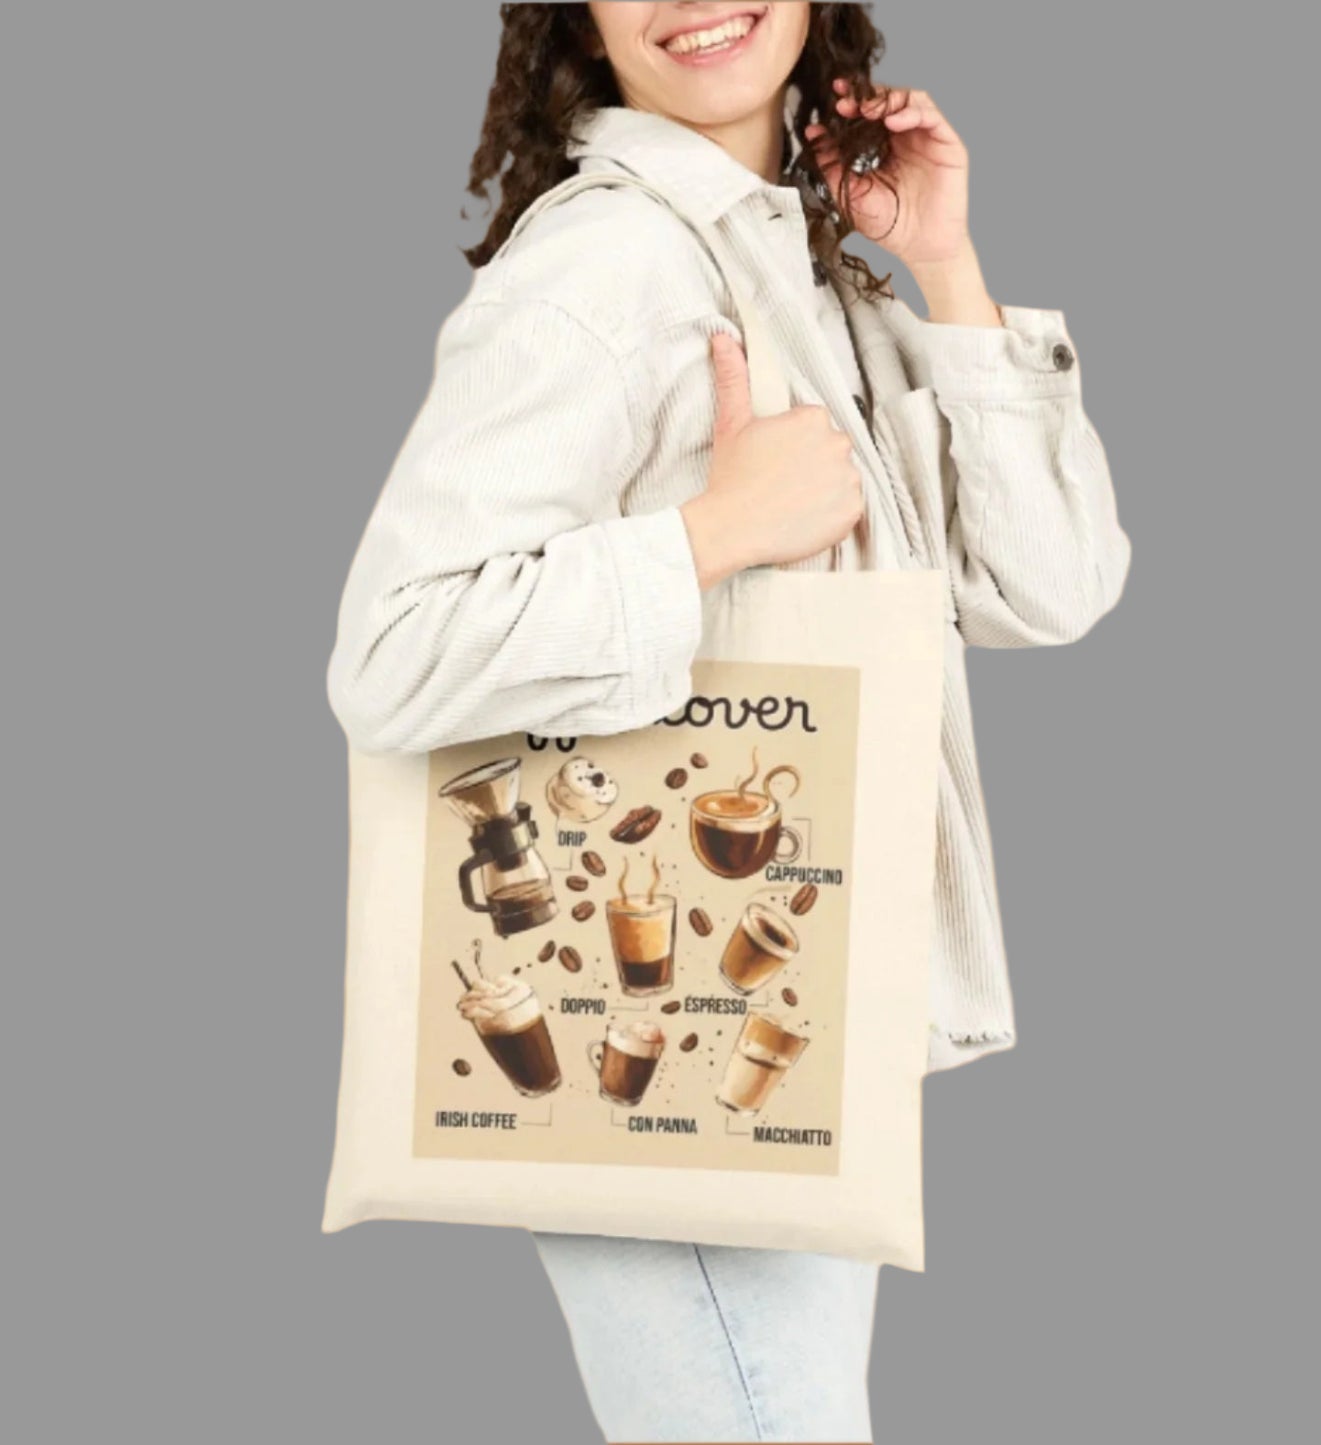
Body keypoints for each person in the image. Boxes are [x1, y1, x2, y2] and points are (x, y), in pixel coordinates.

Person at [326, 4, 1132, 1440]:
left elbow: (1051, 585)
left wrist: (941, 263)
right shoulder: (606, 261)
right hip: (654, 1027)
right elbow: (392, 651)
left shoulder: (801, 265)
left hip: (780, 1001)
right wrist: (707, 536)